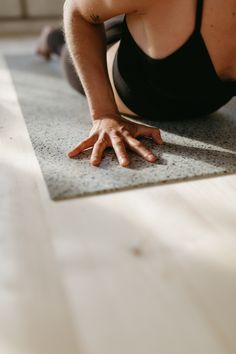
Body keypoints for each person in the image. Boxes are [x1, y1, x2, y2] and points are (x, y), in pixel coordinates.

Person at [42, 0, 236, 167]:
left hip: (149, 25)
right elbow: (76, 9)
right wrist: (104, 114)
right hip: (116, 59)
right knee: (66, 50)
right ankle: (50, 38)